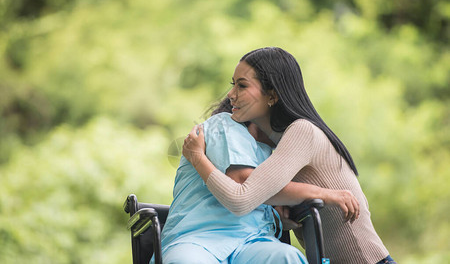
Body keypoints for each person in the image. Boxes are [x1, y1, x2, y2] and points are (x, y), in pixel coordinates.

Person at [183, 47, 396, 264]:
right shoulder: (276, 147)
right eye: (233, 84)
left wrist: (197, 157)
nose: (230, 94)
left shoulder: (302, 132)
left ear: (272, 96)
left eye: (242, 85)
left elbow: (241, 197)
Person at [154, 101, 361, 263]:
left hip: (250, 242)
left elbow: (261, 195)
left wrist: (277, 216)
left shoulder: (266, 153)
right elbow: (246, 183)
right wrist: (323, 193)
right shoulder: (224, 125)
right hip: (200, 238)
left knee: (286, 258)